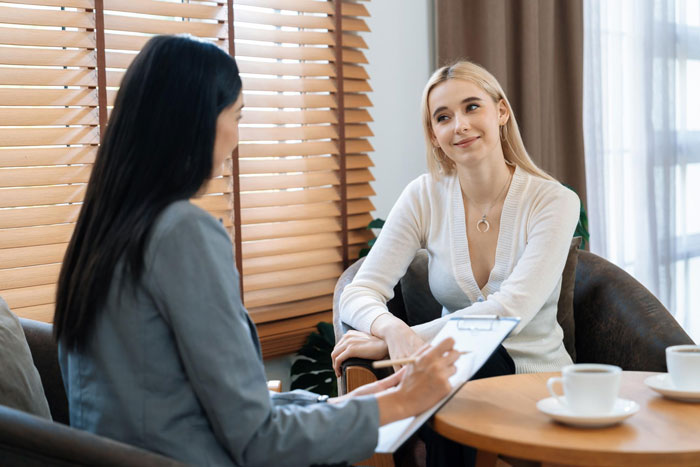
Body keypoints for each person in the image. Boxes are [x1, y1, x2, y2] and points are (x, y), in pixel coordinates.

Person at [53, 35, 460, 467]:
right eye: (237, 116)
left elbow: (199, 408)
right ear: (196, 121)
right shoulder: (183, 234)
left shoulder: (101, 233)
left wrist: (354, 404)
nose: (235, 139)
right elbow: (259, 441)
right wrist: (400, 404)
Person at [332, 60, 579, 466]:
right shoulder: (424, 196)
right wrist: (394, 333)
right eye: (443, 117)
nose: (459, 125)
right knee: (454, 370)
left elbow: (509, 310)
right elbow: (360, 290)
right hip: (447, 372)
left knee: (459, 366)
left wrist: (412, 340)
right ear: (434, 135)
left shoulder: (553, 201)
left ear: (501, 112)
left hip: (536, 383)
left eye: (472, 108)